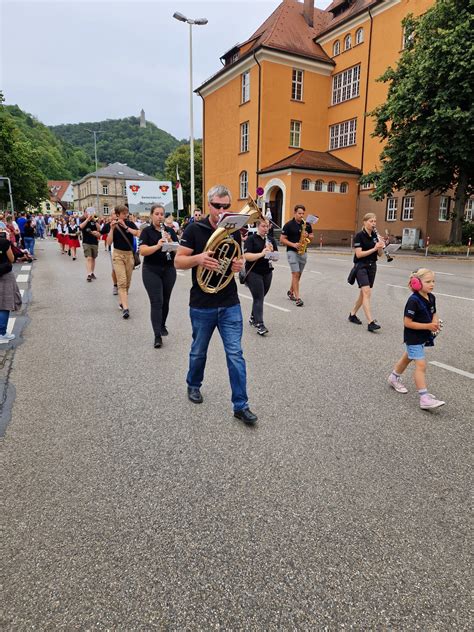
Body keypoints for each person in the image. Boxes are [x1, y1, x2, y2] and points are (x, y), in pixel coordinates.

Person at [175, 184, 258, 425]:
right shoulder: (194, 229)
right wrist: (199, 258)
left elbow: (237, 258)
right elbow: (178, 262)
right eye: (216, 206)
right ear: (208, 204)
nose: (221, 210)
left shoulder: (234, 230)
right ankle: (193, 384)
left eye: (225, 206)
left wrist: (236, 266)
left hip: (229, 301)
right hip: (202, 303)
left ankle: (241, 406)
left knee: (235, 354)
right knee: (199, 350)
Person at [388, 268, 445, 409]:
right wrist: (428, 326)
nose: (432, 284)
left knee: (408, 357)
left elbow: (434, 313)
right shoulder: (413, 300)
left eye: (433, 281)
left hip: (422, 336)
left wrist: (435, 324)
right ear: (416, 283)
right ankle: (424, 398)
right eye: (428, 281)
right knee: (421, 365)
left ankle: (393, 377)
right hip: (413, 336)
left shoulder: (431, 297)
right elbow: (407, 323)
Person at [139, 204, 178, 348]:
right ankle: (157, 336)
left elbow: (178, 252)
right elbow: (142, 251)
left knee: (166, 301)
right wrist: (157, 246)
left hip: (168, 269)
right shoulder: (146, 232)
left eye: (162, 214)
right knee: (157, 301)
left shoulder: (170, 231)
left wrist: (170, 242)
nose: (160, 216)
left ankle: (162, 324)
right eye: (157, 214)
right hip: (151, 270)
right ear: (151, 215)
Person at [348, 212, 385, 332]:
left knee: (364, 293)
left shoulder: (375, 235)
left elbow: (379, 254)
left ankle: (352, 314)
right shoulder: (359, 236)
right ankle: (370, 322)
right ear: (365, 222)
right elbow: (358, 254)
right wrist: (373, 248)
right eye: (371, 221)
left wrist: (380, 246)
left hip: (372, 266)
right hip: (361, 266)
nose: (373, 224)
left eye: (374, 221)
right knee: (366, 292)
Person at [243, 218, 278, 336]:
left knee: (261, 296)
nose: (265, 228)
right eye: (263, 226)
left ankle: (253, 317)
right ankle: (260, 324)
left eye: (267, 226)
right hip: (254, 272)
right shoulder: (251, 239)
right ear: (258, 226)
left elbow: (276, 258)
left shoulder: (271, 240)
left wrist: (272, 253)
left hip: (267, 272)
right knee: (259, 298)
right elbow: (247, 256)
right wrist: (262, 253)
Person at [106, 205, 140, 319]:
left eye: (126, 213)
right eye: (123, 213)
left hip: (129, 255)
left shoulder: (129, 223)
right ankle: (126, 308)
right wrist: (111, 229)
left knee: (128, 281)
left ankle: (122, 300)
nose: (126, 215)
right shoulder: (112, 225)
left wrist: (126, 227)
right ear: (117, 214)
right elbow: (108, 242)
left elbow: (138, 233)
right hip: (118, 254)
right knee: (122, 281)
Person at [280, 204, 313, 306]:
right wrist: (293, 244)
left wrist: (308, 236)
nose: (301, 215)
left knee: (298, 275)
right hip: (292, 251)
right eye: (299, 213)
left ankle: (290, 292)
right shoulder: (288, 225)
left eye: (303, 213)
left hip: (303, 252)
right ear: (295, 213)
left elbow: (312, 236)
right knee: (295, 273)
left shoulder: (307, 224)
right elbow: (282, 239)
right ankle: (298, 298)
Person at [0, 232, 22, 343]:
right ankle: (2, 333)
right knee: (5, 303)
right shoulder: (4, 242)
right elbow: (12, 258)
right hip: (4, 274)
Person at [79, 209, 101, 282]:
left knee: (93, 258)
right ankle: (89, 274)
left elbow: (99, 229)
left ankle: (92, 272)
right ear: (85, 213)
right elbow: (81, 227)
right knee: (89, 258)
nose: (88, 213)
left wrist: (95, 221)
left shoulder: (95, 219)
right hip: (86, 242)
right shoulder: (82, 220)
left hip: (94, 242)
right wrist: (87, 219)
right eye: (87, 212)